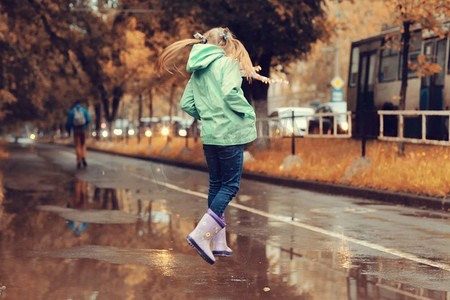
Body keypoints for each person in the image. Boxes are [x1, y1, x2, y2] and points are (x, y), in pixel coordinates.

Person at [156, 27, 264, 265]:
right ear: (224, 45)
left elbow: (187, 103)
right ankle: (201, 234)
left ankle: (218, 241)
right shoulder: (226, 64)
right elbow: (230, 92)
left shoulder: (198, 71)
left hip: (211, 135)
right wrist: (248, 112)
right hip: (230, 134)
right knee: (230, 186)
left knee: (216, 184)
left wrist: (206, 115)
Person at [66, 99, 91, 169]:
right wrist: (85, 126)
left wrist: (69, 130)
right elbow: (88, 120)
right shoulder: (84, 110)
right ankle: (83, 157)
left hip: (75, 130)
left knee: (77, 145)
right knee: (83, 144)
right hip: (83, 129)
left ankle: (79, 160)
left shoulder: (71, 112)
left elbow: (69, 123)